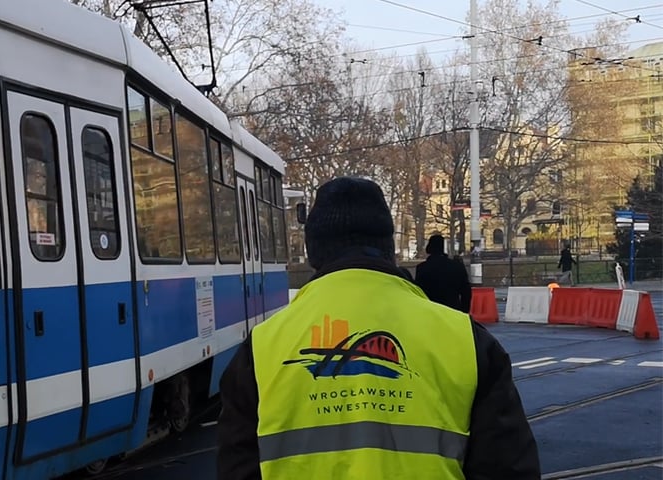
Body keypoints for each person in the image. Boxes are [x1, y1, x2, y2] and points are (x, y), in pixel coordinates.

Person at [216, 176, 540, 480]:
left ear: (314, 251)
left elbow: (238, 469)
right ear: (388, 248)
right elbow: (507, 468)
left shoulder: (263, 347)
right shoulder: (467, 342)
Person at [414, 234, 473, 313]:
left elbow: (419, 293)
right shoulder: (456, 266)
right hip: (453, 311)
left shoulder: (422, 268)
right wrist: (464, 311)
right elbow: (466, 292)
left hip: (431, 312)